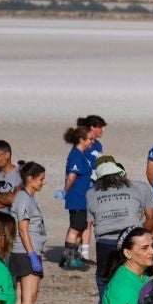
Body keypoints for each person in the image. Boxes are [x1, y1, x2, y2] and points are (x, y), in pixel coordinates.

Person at [84, 157, 153, 290]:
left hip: (105, 242)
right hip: (132, 240)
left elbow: (92, 224)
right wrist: (143, 236)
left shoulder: (90, 194)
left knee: (105, 282)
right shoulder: (137, 188)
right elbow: (150, 218)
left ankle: (106, 303)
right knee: (137, 281)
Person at [7, 162, 50, 304]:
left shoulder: (24, 197)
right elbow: (23, 230)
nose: (43, 182)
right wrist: (32, 255)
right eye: (41, 179)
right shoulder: (24, 199)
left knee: (21, 296)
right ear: (30, 179)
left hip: (20, 252)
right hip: (26, 252)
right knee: (29, 297)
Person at [58, 114, 105, 271]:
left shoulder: (81, 154)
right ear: (81, 140)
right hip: (77, 197)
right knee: (75, 229)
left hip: (83, 197)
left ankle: (74, 257)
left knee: (80, 228)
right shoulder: (76, 155)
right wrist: (65, 191)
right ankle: (68, 259)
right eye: (89, 140)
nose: (92, 142)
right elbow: (72, 176)